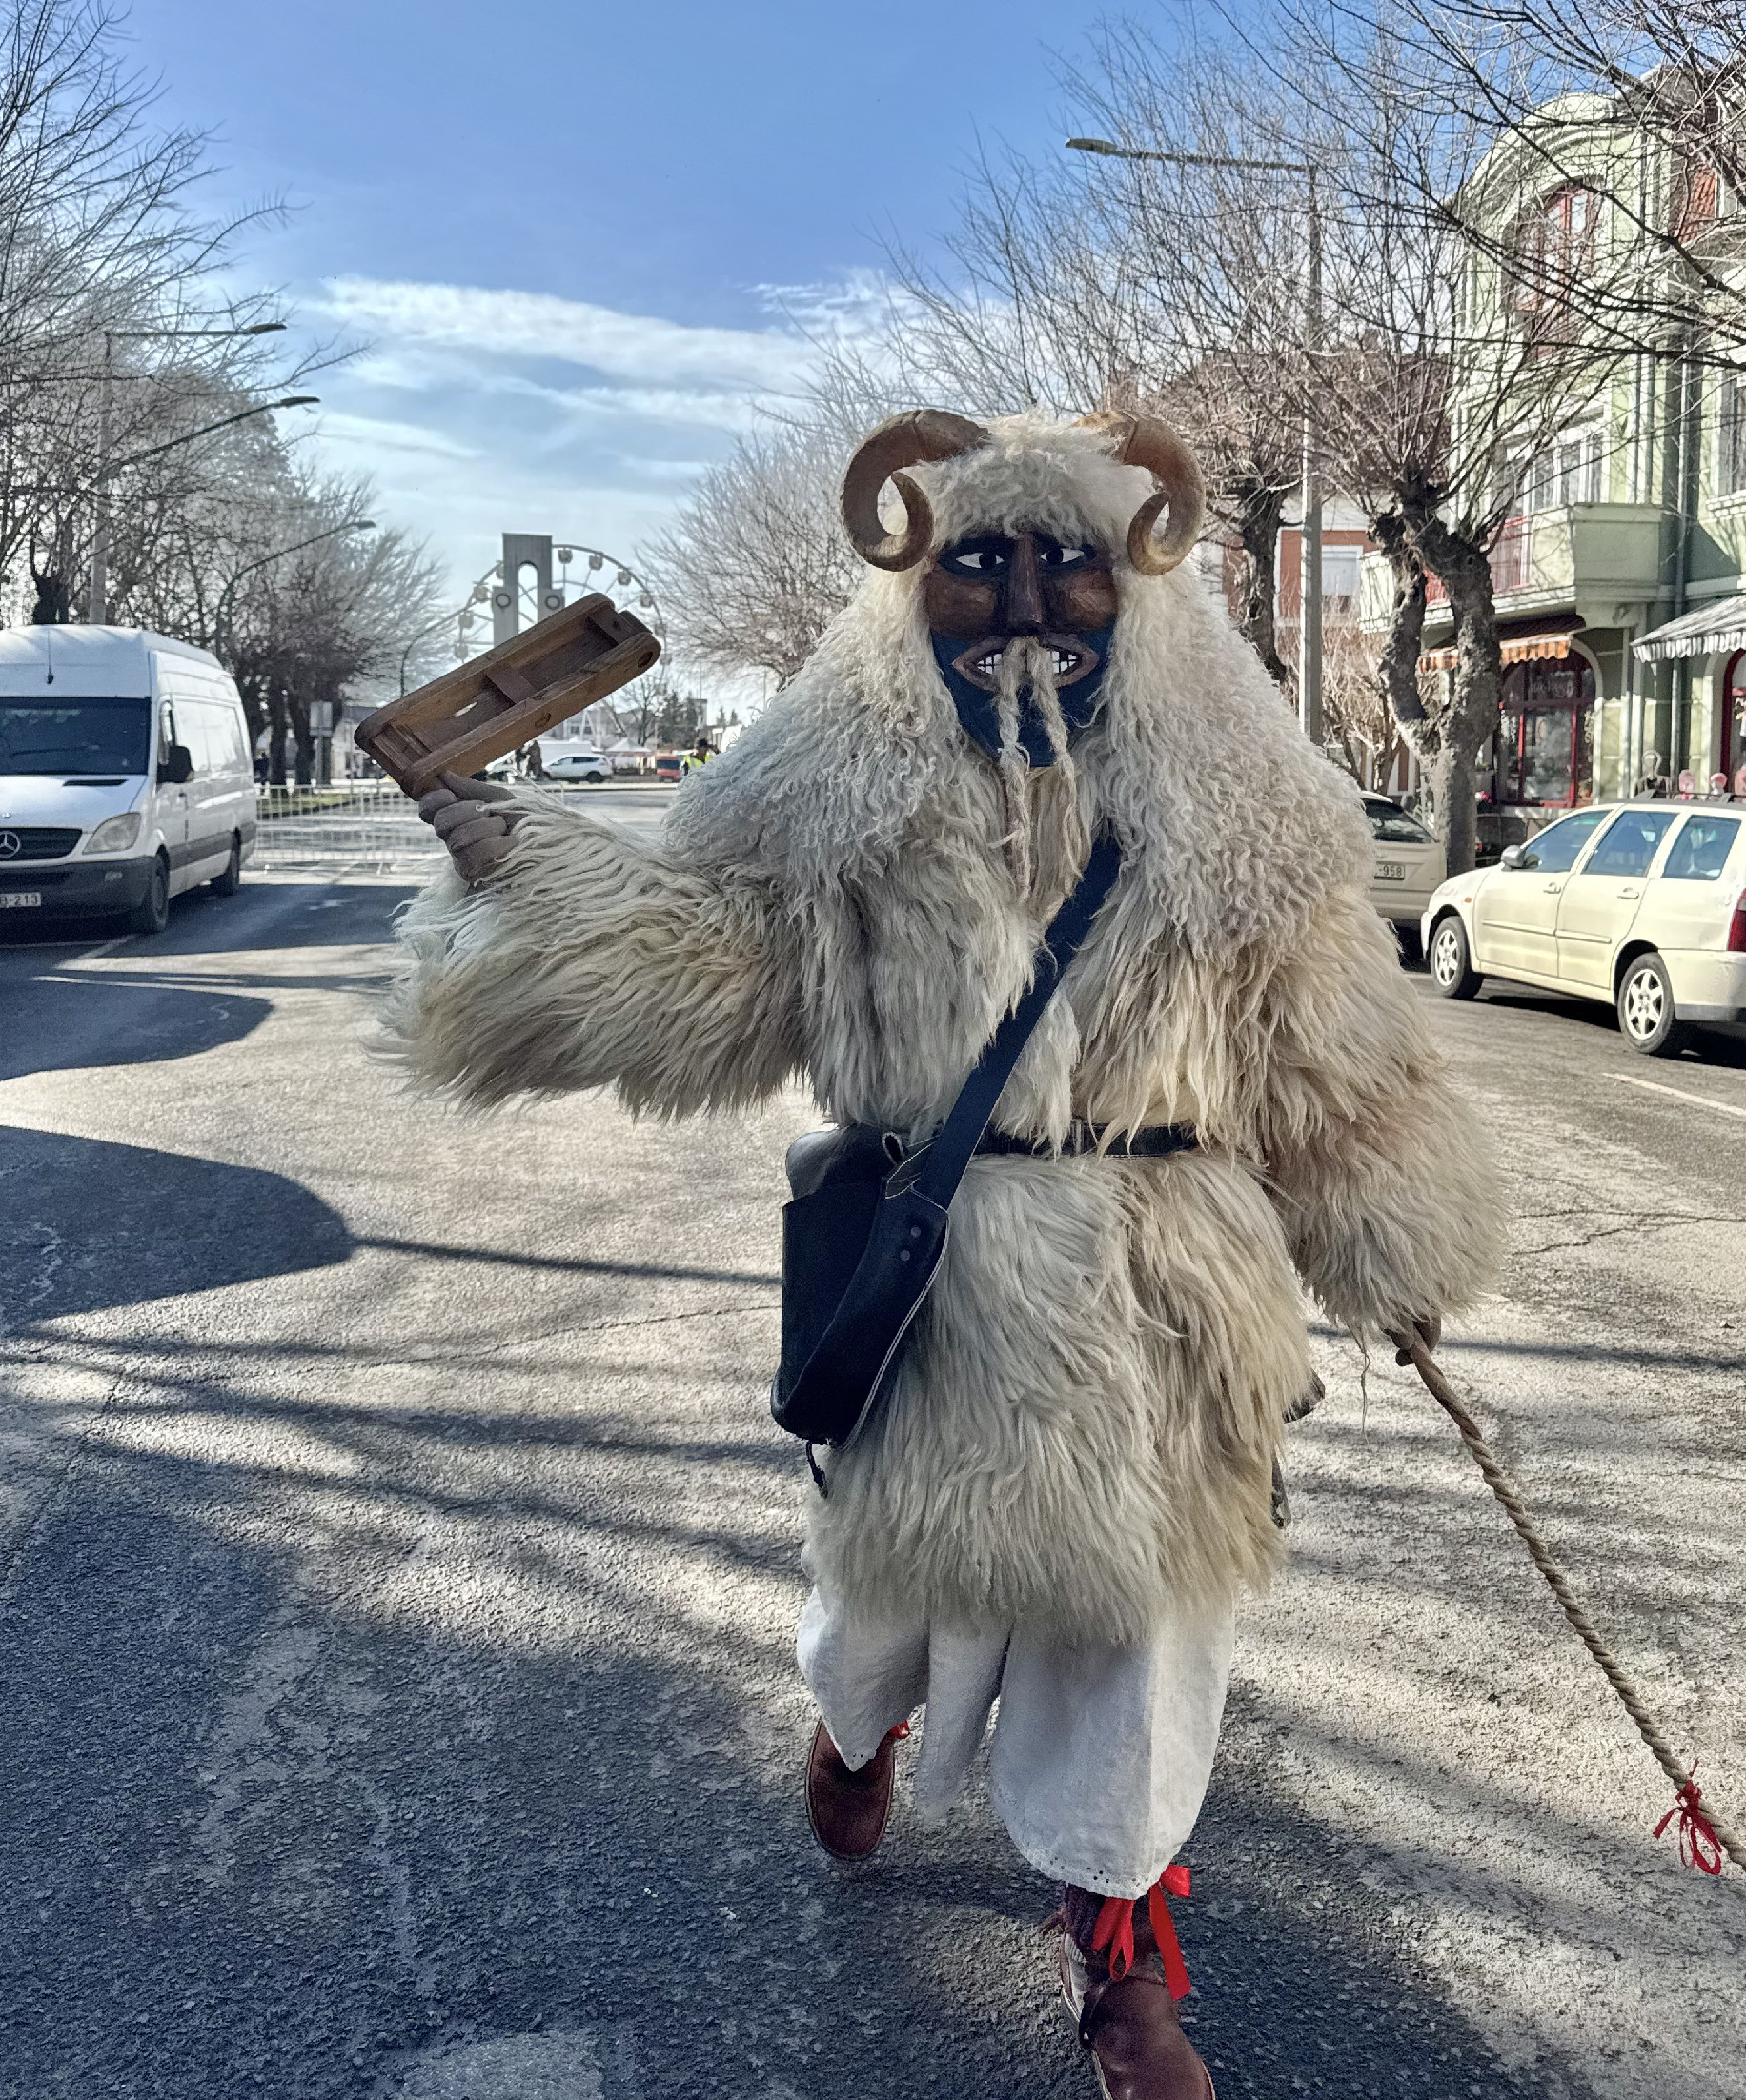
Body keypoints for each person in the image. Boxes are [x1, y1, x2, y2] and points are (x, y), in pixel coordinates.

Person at [389, 409, 1501, 2098]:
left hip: (1166, 1282)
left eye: (1069, 560)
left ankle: (1125, 1972)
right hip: (929, 1272)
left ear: (1137, 579)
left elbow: (1331, 1053)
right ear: (918, 576)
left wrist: (1392, 1243)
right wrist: (519, 864)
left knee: (1143, 1644)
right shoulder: (835, 780)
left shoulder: (1243, 796)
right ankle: (855, 1734)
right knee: (880, 1607)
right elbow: (711, 968)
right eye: (980, 561)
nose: (1026, 598)